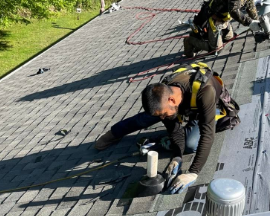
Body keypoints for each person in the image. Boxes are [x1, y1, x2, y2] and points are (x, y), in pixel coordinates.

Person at [95, 64, 239, 194]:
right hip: (185, 107)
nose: (163, 119)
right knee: (149, 117)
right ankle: (113, 133)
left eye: (164, 115)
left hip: (209, 108)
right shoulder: (165, 93)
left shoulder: (204, 91)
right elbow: (174, 130)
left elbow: (208, 135)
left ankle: (168, 138)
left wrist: (193, 172)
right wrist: (177, 156)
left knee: (191, 144)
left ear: (171, 100)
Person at [184, 0, 261, 58]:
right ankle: (189, 41)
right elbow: (233, 11)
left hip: (224, 19)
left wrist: (258, 23)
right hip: (214, 19)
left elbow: (250, 7)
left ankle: (212, 40)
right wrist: (250, 22)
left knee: (229, 38)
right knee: (215, 50)